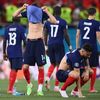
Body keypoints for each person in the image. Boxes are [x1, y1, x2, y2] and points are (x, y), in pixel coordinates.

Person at [13, 0, 57, 96]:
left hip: (39, 43)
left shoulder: (42, 14)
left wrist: (47, 11)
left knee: (40, 67)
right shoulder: (28, 13)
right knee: (24, 67)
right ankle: (29, 84)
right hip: (29, 43)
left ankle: (40, 89)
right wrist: (23, 7)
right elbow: (14, 15)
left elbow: (54, 21)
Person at [44, 6, 72, 91]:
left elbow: (45, 34)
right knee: (59, 65)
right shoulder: (63, 22)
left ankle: (48, 77)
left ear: (53, 12)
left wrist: (46, 45)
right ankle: (56, 86)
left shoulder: (48, 21)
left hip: (50, 44)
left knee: (52, 63)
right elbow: (66, 34)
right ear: (61, 12)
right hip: (59, 44)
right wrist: (70, 45)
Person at [76, 7, 100, 92]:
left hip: (82, 49)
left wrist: (77, 47)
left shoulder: (81, 22)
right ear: (95, 14)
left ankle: (77, 88)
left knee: (81, 68)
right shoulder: (97, 23)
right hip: (92, 49)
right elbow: (98, 37)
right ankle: (91, 88)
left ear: (88, 13)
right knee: (93, 68)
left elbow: (77, 35)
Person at [3, 17, 26, 95]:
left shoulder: (7, 28)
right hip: (17, 51)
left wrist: (4, 52)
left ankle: (11, 87)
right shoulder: (21, 28)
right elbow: (25, 40)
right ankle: (10, 89)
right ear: (19, 20)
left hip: (9, 51)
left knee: (14, 69)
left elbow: (4, 41)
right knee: (14, 69)